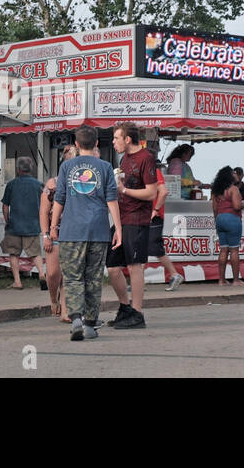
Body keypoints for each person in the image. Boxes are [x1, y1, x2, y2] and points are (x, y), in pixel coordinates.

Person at [50, 126, 122, 341]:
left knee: (72, 278)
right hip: (99, 231)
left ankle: (76, 320)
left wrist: (53, 226)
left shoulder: (67, 166)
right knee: (93, 278)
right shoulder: (106, 167)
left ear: (76, 144)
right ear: (97, 143)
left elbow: (59, 198)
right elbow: (112, 199)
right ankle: (90, 324)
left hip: (72, 231)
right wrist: (118, 228)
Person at [105, 122, 161, 329]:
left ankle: (137, 313)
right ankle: (125, 307)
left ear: (127, 139)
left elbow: (151, 193)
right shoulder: (124, 158)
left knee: (134, 266)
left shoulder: (146, 158)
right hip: (123, 218)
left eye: (116, 138)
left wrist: (124, 191)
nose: (113, 142)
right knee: (112, 266)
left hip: (137, 218)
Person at [40, 145, 77, 321]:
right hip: (55, 233)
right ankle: (53, 298)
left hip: (73, 232)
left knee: (68, 272)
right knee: (54, 273)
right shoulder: (52, 184)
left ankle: (65, 311)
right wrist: (46, 234)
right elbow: (43, 211)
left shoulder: (80, 182)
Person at [1, 156, 44, 290]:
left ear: (18, 169)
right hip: (33, 225)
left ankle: (17, 281)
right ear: (31, 169)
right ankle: (42, 275)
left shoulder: (12, 184)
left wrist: (8, 221)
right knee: (35, 253)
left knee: (14, 253)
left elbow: (5, 206)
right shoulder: (39, 185)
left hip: (15, 225)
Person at [211, 166, 244, 286]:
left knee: (223, 249)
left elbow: (215, 208)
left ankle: (221, 280)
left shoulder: (216, 191)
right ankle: (236, 280)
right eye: (233, 173)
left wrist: (217, 221)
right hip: (232, 219)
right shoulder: (233, 189)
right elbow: (236, 206)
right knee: (234, 250)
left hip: (220, 219)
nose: (235, 175)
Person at [151, 166, 184, 291]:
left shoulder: (154, 171)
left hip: (155, 216)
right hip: (148, 215)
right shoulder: (148, 171)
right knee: (144, 247)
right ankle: (136, 280)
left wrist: (156, 210)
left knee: (156, 248)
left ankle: (175, 274)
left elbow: (164, 192)